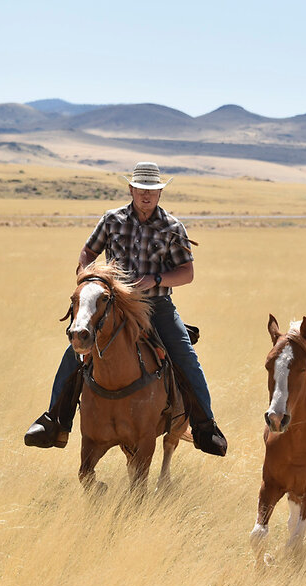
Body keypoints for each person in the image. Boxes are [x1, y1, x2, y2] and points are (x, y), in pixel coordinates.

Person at [24, 161, 228, 456]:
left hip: (155, 304)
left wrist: (154, 280)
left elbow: (186, 272)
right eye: (141, 189)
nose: (146, 195)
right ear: (131, 189)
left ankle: (204, 426)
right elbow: (88, 251)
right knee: (77, 350)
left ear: (160, 193)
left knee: (184, 354)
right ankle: (54, 421)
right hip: (113, 305)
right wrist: (87, 275)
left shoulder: (171, 227)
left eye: (152, 190)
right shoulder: (112, 219)